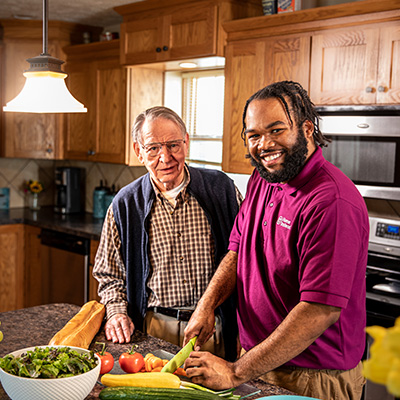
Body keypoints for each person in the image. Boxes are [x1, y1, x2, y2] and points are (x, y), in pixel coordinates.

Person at [183, 81, 369, 399]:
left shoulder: (332, 202)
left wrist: (235, 370)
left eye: (276, 130)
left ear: (307, 129)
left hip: (311, 377)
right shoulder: (264, 176)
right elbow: (238, 250)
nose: (264, 144)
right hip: (257, 359)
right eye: (254, 135)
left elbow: (319, 310)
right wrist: (207, 305)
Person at [93, 106, 241, 361]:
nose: (166, 157)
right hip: (154, 329)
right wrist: (117, 312)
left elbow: (244, 254)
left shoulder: (222, 190)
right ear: (139, 151)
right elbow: (109, 274)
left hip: (214, 328)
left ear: (186, 143)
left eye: (173, 145)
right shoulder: (125, 203)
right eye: (153, 148)